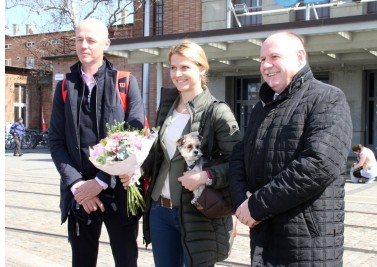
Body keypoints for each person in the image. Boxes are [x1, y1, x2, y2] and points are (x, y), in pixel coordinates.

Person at [229, 32, 353, 266]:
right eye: (262, 59)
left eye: (274, 56)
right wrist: (240, 202)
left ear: (299, 57)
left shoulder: (328, 98)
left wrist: (256, 205)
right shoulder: (261, 108)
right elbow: (239, 156)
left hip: (307, 246)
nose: (266, 65)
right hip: (264, 237)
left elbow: (319, 163)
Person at [120, 40, 241, 267]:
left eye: (185, 67)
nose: (177, 74)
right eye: (173, 68)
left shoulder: (217, 111)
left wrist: (205, 177)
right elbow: (158, 153)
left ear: (201, 68)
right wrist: (140, 170)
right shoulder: (168, 105)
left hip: (197, 214)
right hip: (160, 210)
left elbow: (237, 163)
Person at [48, 18, 145, 267]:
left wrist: (101, 181)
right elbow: (56, 142)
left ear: (106, 43)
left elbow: (133, 136)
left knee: (126, 262)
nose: (84, 45)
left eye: (91, 40)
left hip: (119, 194)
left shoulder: (125, 82)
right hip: (80, 196)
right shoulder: (64, 87)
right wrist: (79, 186)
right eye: (79, 39)